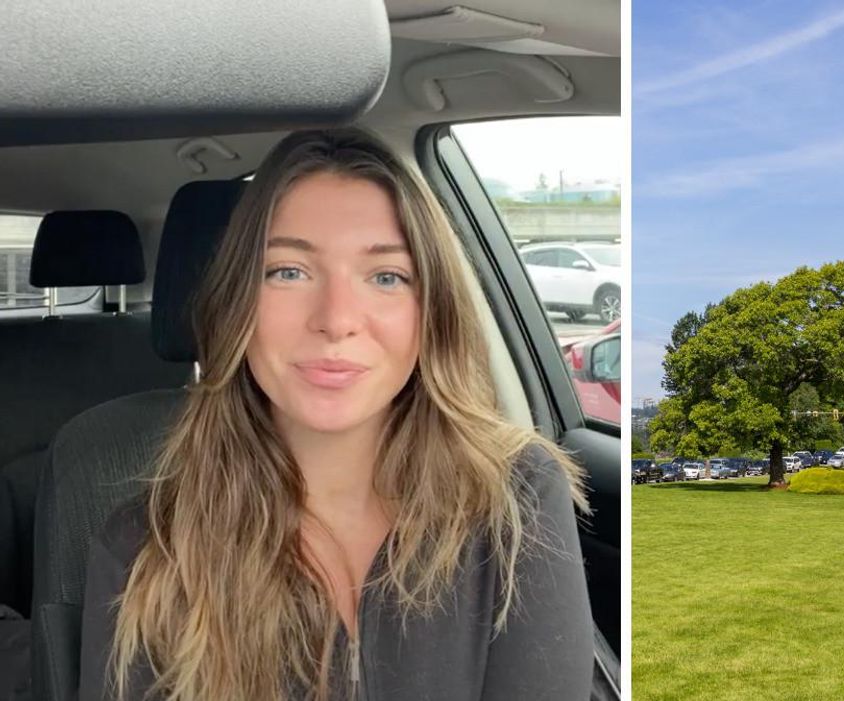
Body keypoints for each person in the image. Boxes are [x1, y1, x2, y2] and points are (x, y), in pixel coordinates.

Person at [78, 129, 594, 700]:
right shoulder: (145, 548)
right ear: (235, 304)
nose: (336, 319)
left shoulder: (515, 498)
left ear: (432, 313)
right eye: (288, 271)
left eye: (386, 277)